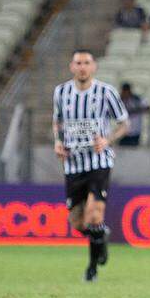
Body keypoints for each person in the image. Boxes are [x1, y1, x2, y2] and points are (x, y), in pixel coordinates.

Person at [53, 50, 130, 282]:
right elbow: (57, 122)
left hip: (99, 161)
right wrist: (57, 142)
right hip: (73, 163)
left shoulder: (106, 92)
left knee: (94, 215)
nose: (82, 67)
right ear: (72, 66)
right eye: (78, 63)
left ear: (94, 66)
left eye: (86, 63)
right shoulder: (61, 92)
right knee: (77, 222)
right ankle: (100, 238)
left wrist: (107, 140)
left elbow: (124, 123)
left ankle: (92, 268)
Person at [118, 82, 150, 146]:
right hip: (123, 131)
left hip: (135, 130)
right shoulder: (120, 100)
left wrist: (135, 110)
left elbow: (148, 108)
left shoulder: (137, 99)